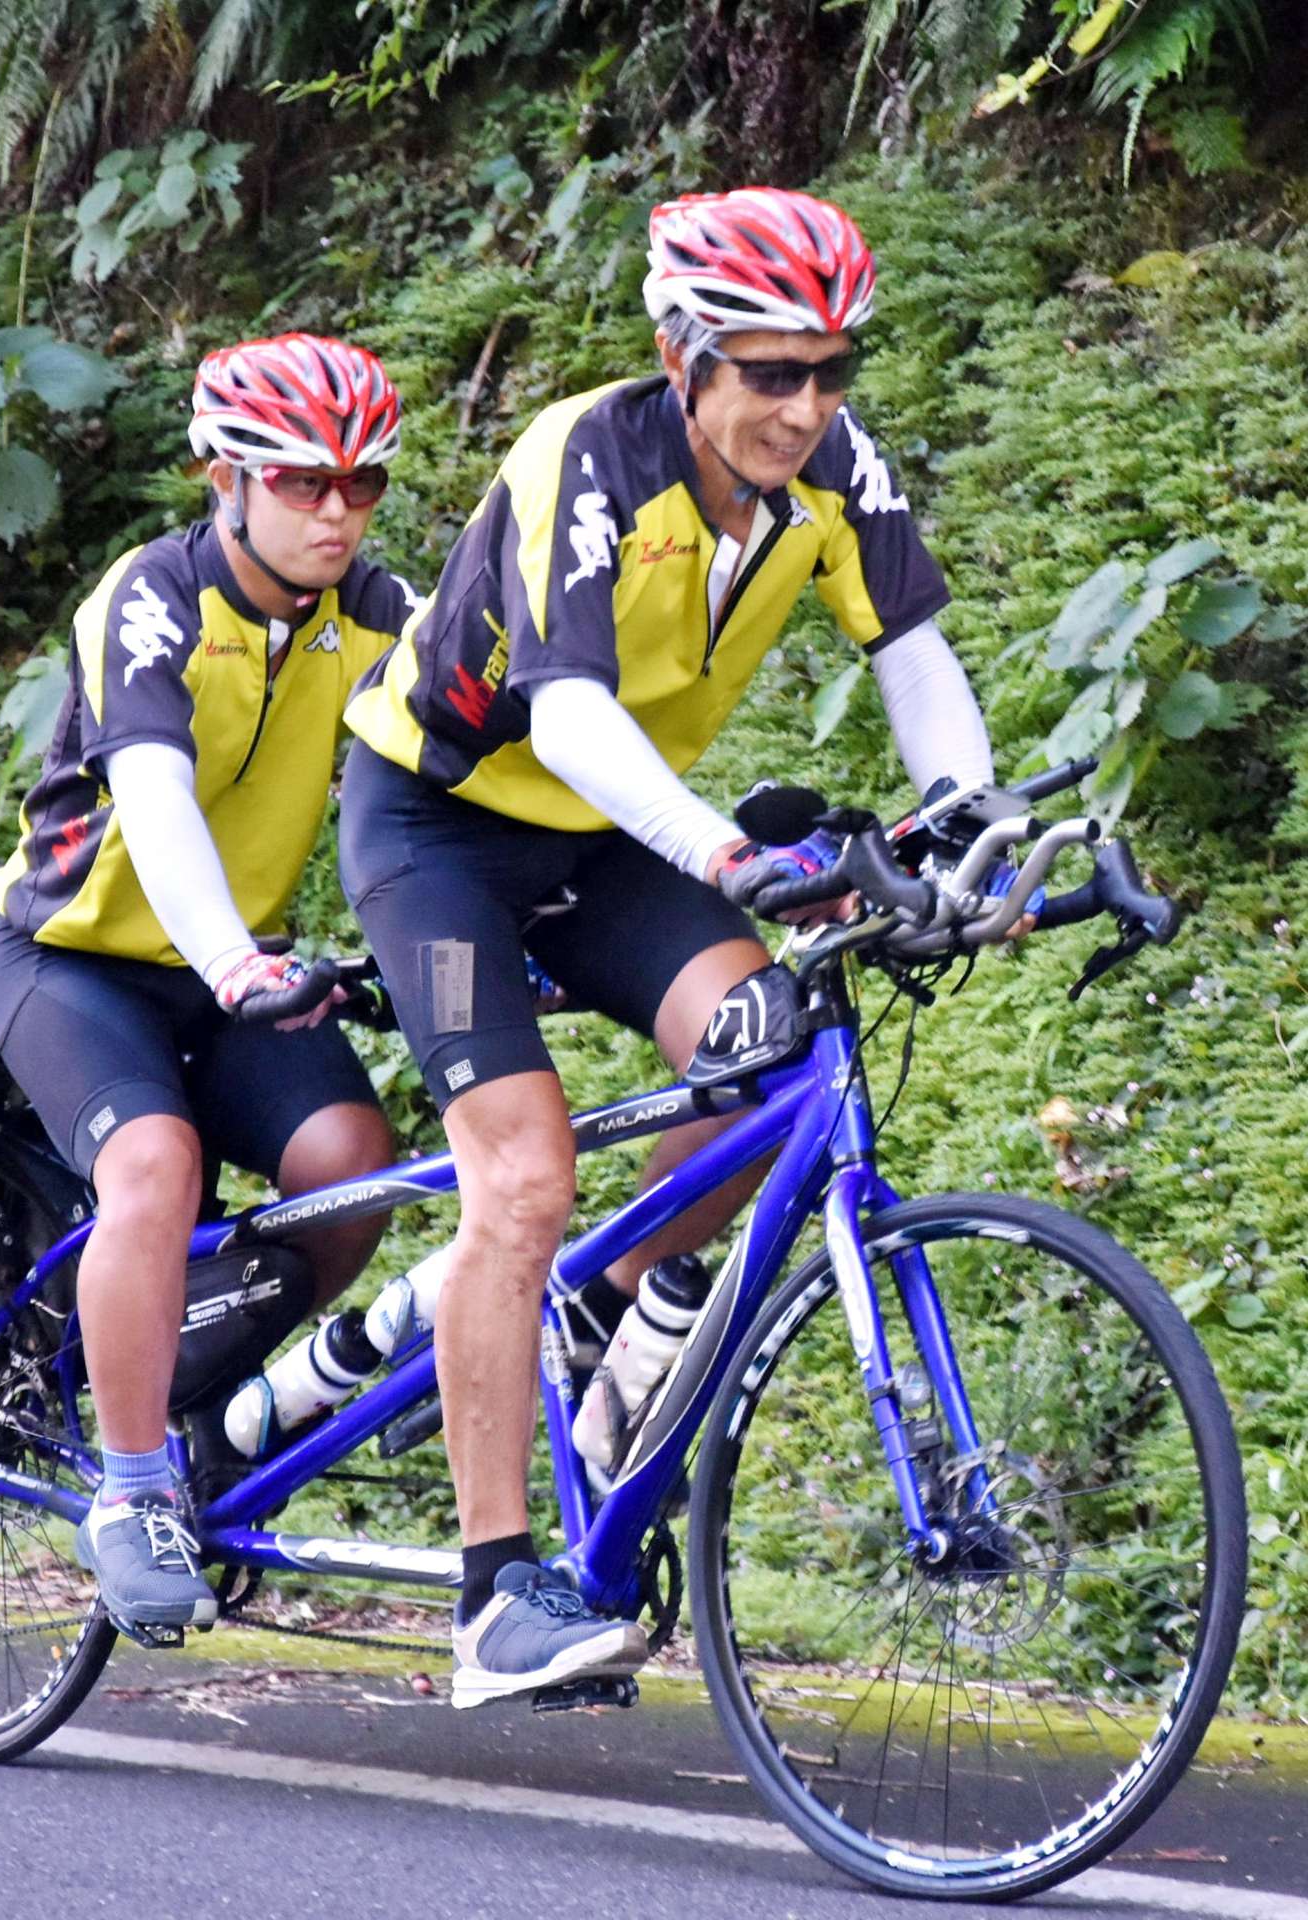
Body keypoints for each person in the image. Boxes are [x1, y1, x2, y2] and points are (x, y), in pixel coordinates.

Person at [337, 188, 1002, 1706]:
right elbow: (566, 712)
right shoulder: (588, 455)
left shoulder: (834, 468)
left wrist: (967, 829)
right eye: (772, 372)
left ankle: (604, 1307)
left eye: (831, 370)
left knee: (764, 1052)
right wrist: (722, 849)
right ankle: (495, 1597)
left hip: (593, 845)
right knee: (520, 1172)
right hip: (435, 839)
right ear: (682, 354)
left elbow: (913, 655)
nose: (807, 405)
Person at [0, 333, 416, 1633]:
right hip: (76, 961)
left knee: (355, 1167)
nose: (335, 509)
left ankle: (203, 1414)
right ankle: (127, 1490)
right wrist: (234, 959)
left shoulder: (379, 617)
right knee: (156, 1167)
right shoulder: (151, 597)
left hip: (238, 974)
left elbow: (460, 788)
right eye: (301, 480)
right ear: (221, 475)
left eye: (363, 483)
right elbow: (157, 801)